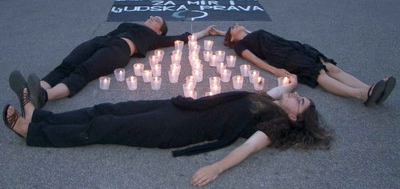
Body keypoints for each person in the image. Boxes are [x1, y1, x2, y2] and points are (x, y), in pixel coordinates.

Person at [4, 73, 332, 186]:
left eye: (300, 102)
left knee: (105, 127)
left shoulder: (271, 127)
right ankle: (39, 118)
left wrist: (215, 168)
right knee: (107, 109)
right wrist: (294, 84)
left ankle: (31, 133)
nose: (296, 97)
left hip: (176, 128)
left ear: (294, 119)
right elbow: (285, 87)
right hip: (180, 106)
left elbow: (245, 150)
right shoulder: (271, 103)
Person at [8, 17, 216, 109]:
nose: (152, 17)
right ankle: (32, 91)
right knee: (65, 66)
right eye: (152, 16)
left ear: (159, 30)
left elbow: (185, 37)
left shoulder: (155, 38)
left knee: (83, 72)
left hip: (119, 50)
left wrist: (206, 32)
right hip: (100, 41)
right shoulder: (128, 24)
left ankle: (44, 96)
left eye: (157, 19)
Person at [211, 24, 396, 107]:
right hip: (283, 56)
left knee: (331, 67)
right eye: (232, 27)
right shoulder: (241, 45)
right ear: (232, 38)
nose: (236, 24)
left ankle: (370, 89)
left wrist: (221, 33)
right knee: (319, 75)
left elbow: (239, 34)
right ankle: (362, 94)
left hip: (294, 46)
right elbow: (254, 60)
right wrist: (275, 70)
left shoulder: (249, 34)